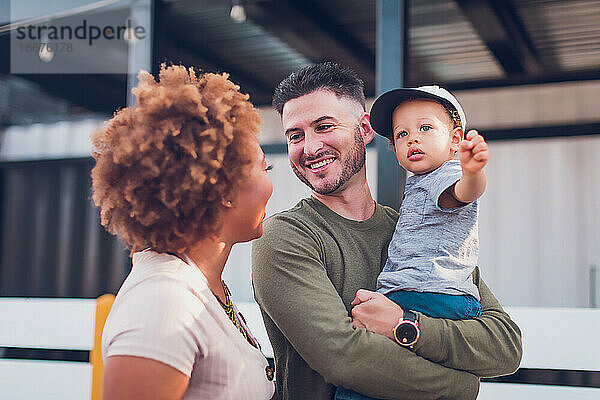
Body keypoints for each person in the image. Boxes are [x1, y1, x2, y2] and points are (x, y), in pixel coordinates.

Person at [252, 62, 522, 400]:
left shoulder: (419, 224)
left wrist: (403, 324)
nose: (310, 147)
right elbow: (344, 358)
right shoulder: (286, 237)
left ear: (365, 130)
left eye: (324, 126)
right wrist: (462, 386)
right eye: (296, 135)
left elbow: (504, 345)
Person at [92, 64, 276, 400]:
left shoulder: (197, 288)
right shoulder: (162, 301)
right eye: (266, 167)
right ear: (224, 190)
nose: (271, 184)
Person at [335, 86, 489, 400]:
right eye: (402, 134)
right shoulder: (421, 180)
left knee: (368, 377)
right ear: (393, 149)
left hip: (428, 294)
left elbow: (464, 192)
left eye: (425, 128)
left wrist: (473, 171)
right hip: (421, 294)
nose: (412, 139)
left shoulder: (444, 174)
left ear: (455, 140)